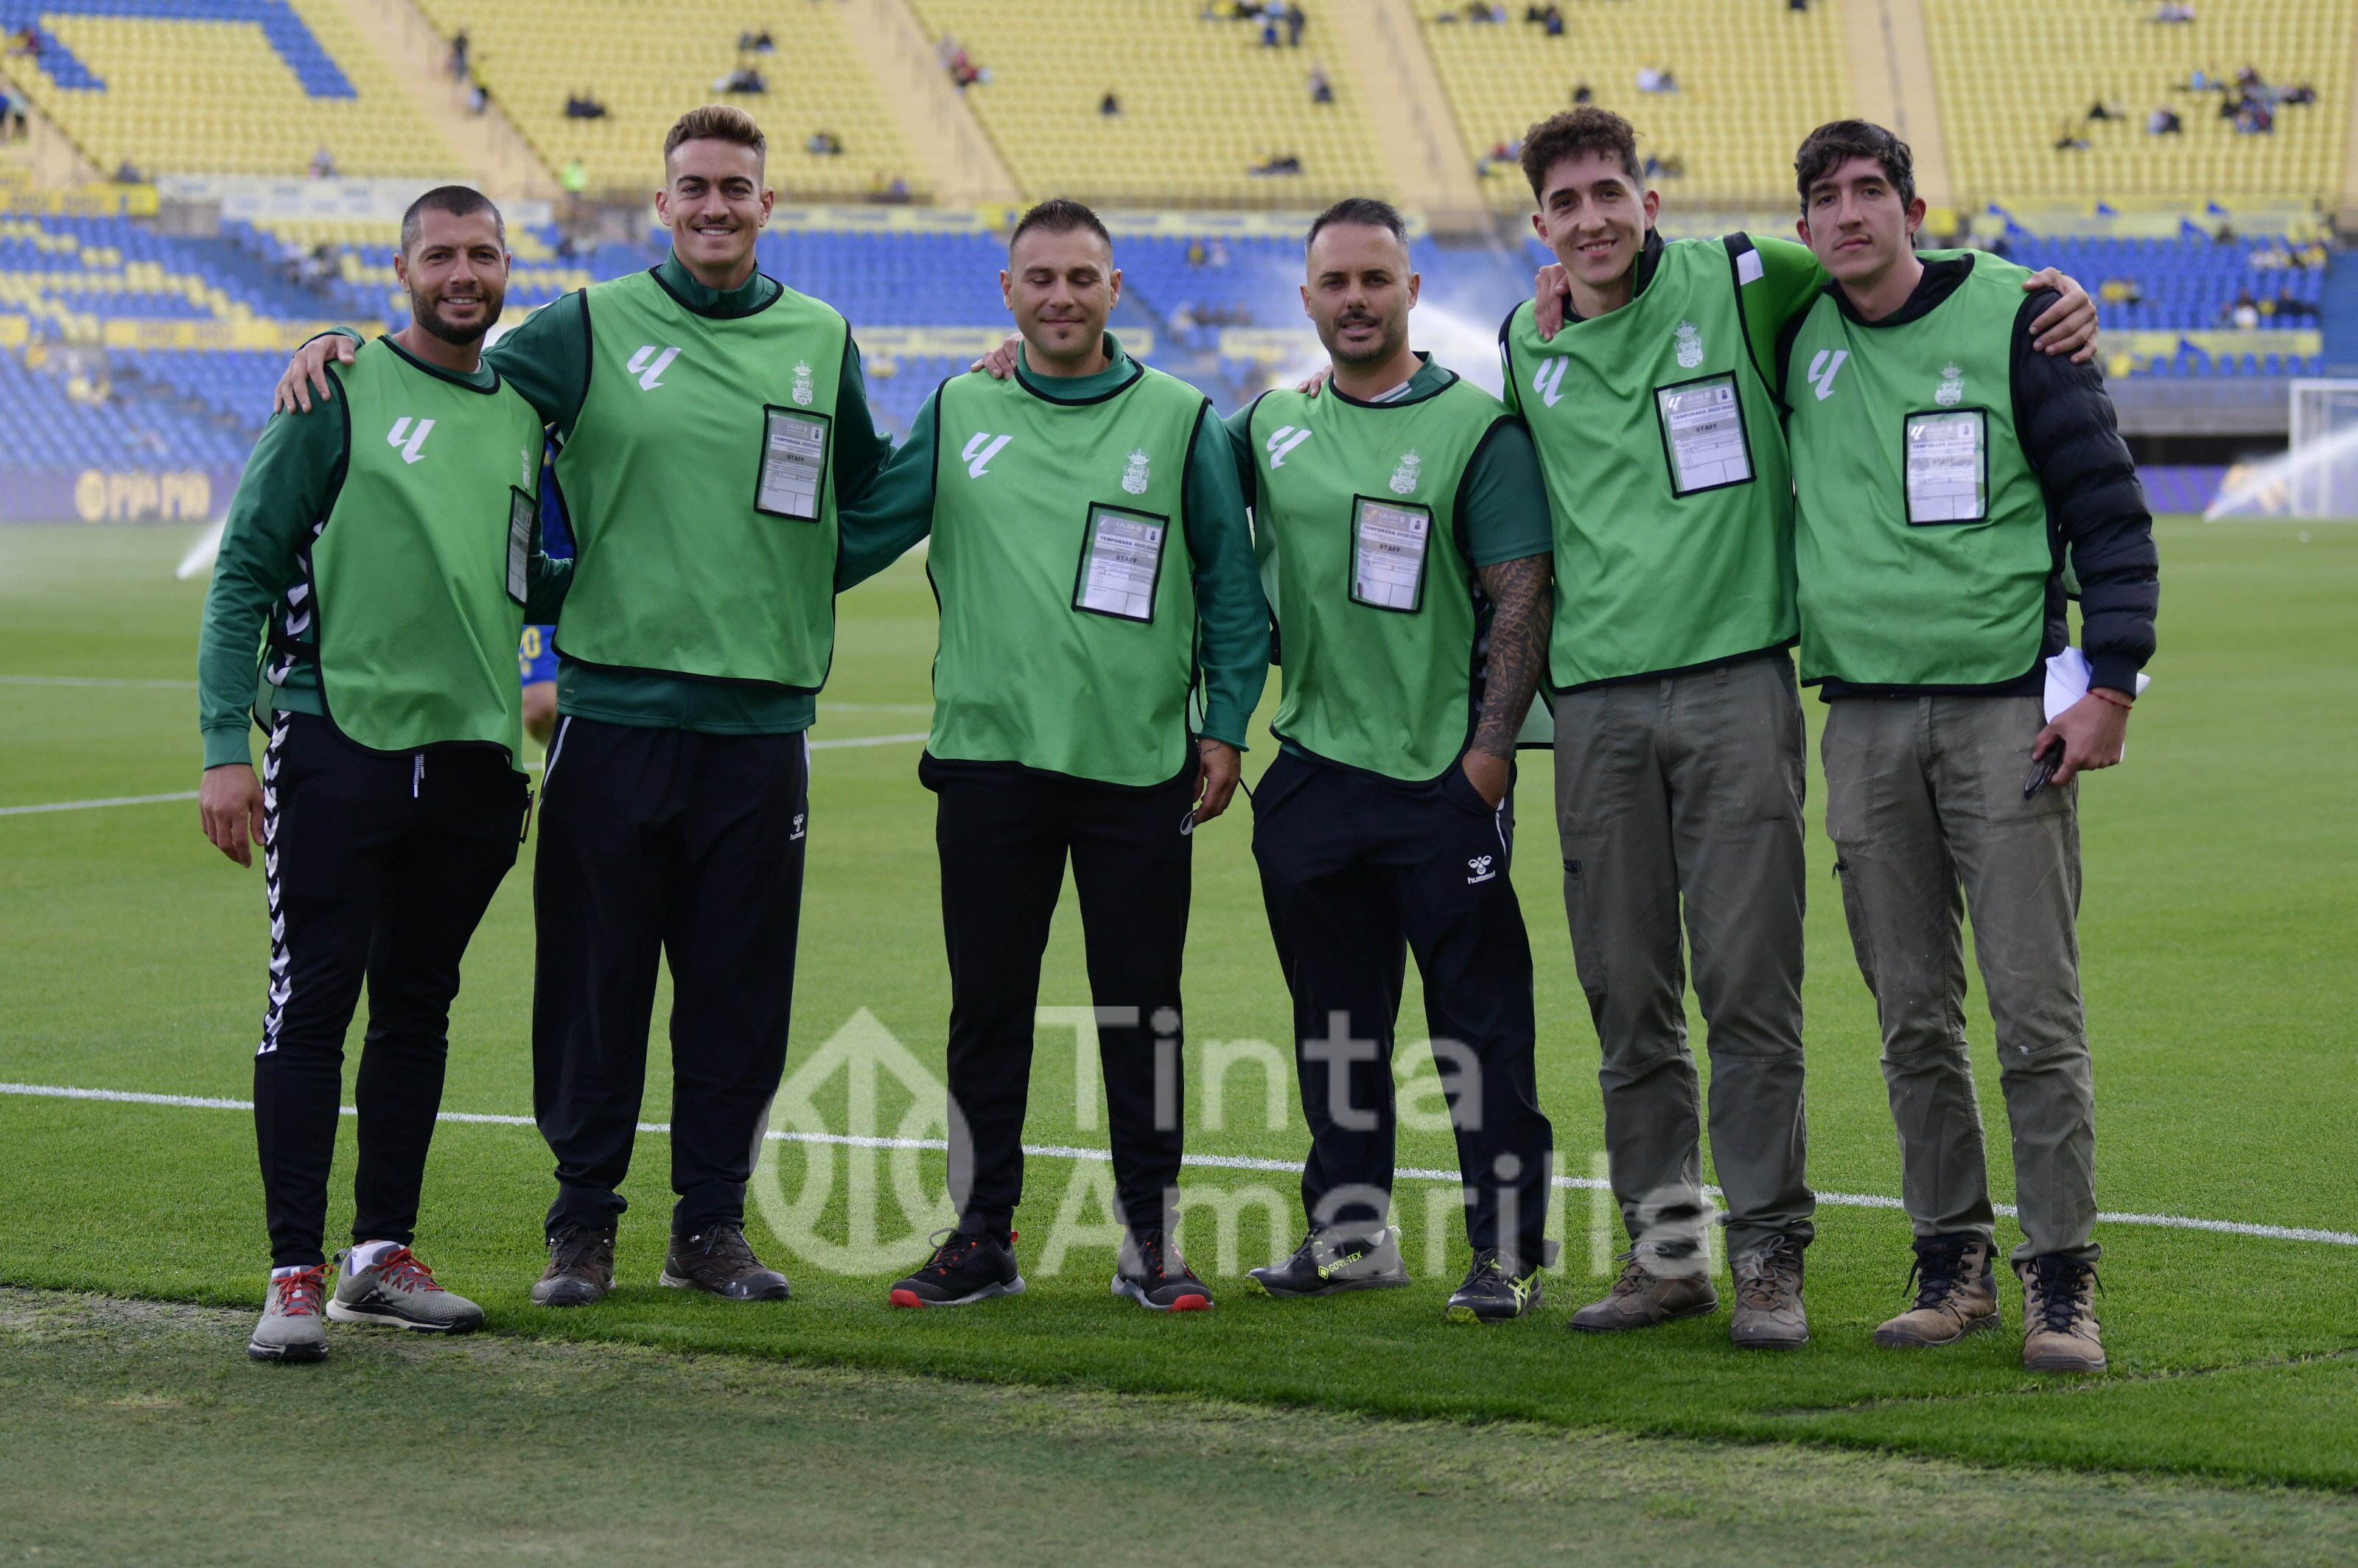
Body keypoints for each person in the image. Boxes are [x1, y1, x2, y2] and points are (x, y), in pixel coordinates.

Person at [272, 104, 895, 1309]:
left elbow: (865, 494)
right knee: (595, 984)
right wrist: (331, 340)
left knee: (736, 993)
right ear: (662, 205)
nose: (716, 205)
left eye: (737, 187)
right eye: (694, 187)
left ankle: (710, 1226)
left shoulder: (825, 338)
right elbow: (448, 364)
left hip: (761, 731)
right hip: (610, 719)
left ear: (771, 206)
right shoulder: (589, 326)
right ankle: (583, 1228)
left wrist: (795, 581)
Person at [1507, 108, 2097, 1348]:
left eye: (1611, 192)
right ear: (1543, 230)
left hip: (1740, 685)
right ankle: (1666, 1258)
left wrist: (2054, 291)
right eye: (1566, 207)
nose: (1594, 220)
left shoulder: (1748, 277)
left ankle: (1771, 1258)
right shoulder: (1527, 337)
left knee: (1749, 992)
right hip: (1598, 704)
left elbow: (1905, 278)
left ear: (1649, 200)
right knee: (1625, 994)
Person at [840, 200, 1268, 1313]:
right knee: (987, 1006)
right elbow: (854, 532)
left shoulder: (1182, 419)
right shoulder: (959, 402)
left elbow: (1231, 587)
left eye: (1082, 276)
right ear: (1007, 292)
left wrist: (1224, 728)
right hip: (987, 763)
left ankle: (1152, 1241)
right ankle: (982, 1236)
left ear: (1116, 289)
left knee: (1144, 1007)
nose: (1061, 296)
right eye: (1040, 277)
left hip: (1138, 765)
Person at [1778, 119, 2155, 1375]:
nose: (1848, 215)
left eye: (1870, 191)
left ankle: (2063, 1281)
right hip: (1863, 719)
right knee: (1911, 1021)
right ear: (1802, 229)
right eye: (1825, 199)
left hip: (2006, 714)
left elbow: (2106, 504)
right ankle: (1952, 1267)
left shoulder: (2018, 316)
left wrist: (2111, 683)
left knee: (2035, 1015)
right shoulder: (1791, 331)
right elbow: (1645, 276)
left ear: (1914, 207)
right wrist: (1556, 289)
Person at [200, 186, 569, 1363]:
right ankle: (294, 1275)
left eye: (485, 254)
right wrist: (224, 746)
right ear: (402, 267)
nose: (465, 273)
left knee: (419, 1005)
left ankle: (380, 1258)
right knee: (311, 1005)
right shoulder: (335, 388)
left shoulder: (521, 412)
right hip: (336, 740)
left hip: (471, 757)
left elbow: (522, 579)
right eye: (443, 255)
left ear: (509, 270)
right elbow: (245, 573)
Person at [1239, 198, 1557, 1323]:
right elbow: (1165, 476)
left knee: (1478, 1030)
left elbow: (1522, 592)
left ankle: (1507, 1246)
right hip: (1316, 771)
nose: (1357, 299)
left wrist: (1486, 760)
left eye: (1377, 279)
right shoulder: (1271, 424)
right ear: (1309, 297)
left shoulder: (1479, 427)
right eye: (1336, 282)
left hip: (1440, 777)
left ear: (1411, 291)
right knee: (1335, 1026)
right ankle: (1350, 1231)